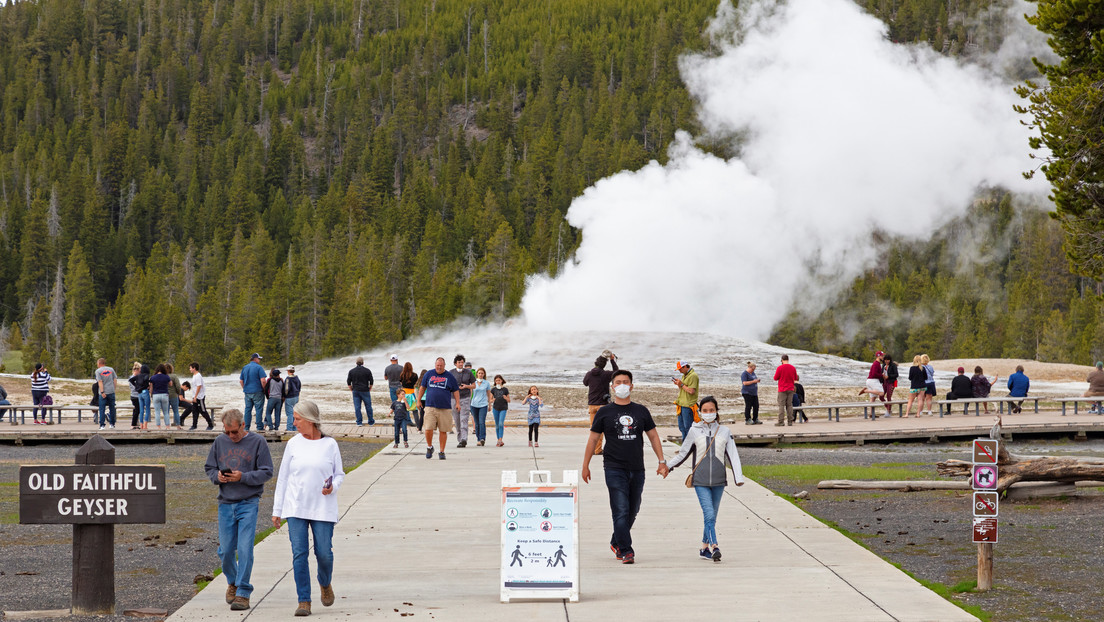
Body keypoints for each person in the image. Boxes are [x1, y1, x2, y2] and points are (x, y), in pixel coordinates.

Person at [581, 369, 669, 565]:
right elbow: (593, 439)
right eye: (618, 382)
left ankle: (616, 540)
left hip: (637, 468)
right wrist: (585, 465)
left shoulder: (641, 411)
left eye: (625, 381)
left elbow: (653, 436)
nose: (622, 385)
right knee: (620, 509)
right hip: (613, 467)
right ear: (612, 387)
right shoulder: (604, 412)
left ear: (631, 386)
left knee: (633, 509)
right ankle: (626, 549)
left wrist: (662, 461)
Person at [271, 401, 344, 617]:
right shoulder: (293, 444)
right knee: (299, 554)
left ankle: (325, 582)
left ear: (310, 420)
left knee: (324, 554)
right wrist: (277, 510)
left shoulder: (330, 445)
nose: (294, 423)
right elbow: (283, 478)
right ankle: (304, 600)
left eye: (297, 419)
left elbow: (339, 474)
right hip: (296, 507)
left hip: (323, 507)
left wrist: (332, 487)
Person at [204, 408, 274, 611]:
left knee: (244, 549)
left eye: (234, 432)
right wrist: (217, 477)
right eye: (227, 432)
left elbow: (267, 472)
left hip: (248, 502)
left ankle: (243, 592)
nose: (231, 436)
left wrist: (242, 477)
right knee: (226, 551)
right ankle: (233, 582)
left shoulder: (258, 442)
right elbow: (209, 468)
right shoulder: (220, 442)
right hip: (225, 503)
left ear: (243, 425)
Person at [666, 396, 744, 562]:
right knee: (708, 513)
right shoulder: (694, 431)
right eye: (705, 410)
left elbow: (733, 456)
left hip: (719, 481)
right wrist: (667, 466)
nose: (708, 413)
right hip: (700, 480)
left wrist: (739, 478)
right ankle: (714, 546)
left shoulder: (725, 431)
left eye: (712, 410)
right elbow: (683, 453)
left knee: (712, 517)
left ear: (716, 412)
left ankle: (703, 548)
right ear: (700, 412)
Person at [416, 357, 460, 460]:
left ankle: (441, 451)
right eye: (437, 366)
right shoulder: (429, 374)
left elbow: (456, 390)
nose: (439, 367)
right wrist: (418, 400)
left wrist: (458, 403)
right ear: (435, 365)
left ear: (444, 365)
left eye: (441, 366)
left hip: (445, 408)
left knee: (443, 430)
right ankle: (429, 447)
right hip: (430, 406)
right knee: (428, 428)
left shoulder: (449, 376)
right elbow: (422, 388)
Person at [583, 353, 619, 455]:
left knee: (593, 428)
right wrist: (612, 360)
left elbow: (585, 383)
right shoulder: (606, 374)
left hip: (592, 404)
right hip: (603, 404)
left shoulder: (589, 374)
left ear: (596, 363)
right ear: (604, 365)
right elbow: (616, 372)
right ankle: (599, 449)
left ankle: (595, 449)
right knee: (605, 428)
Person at [449, 354, 476, 448]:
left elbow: (474, 385)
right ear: (455, 363)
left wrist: (466, 386)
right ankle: (460, 439)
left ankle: (464, 439)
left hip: (465, 398)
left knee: (464, 418)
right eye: (459, 362)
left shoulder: (468, 372)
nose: (461, 364)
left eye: (462, 362)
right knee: (457, 420)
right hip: (453, 398)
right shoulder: (451, 373)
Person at [857, 351, 890, 419]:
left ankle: (871, 413)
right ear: (878, 356)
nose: (883, 357)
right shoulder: (876, 364)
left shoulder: (876, 363)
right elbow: (874, 374)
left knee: (873, 398)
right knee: (881, 393)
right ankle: (866, 391)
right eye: (882, 356)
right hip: (873, 380)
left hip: (870, 380)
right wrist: (882, 375)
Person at [239, 353, 267, 431]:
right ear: (255, 359)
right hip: (258, 391)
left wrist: (245, 388)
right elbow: (263, 380)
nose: (259, 360)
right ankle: (259, 427)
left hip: (247, 392)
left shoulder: (245, 367)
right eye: (259, 359)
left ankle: (246, 427)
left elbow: (241, 381)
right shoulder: (259, 368)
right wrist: (265, 389)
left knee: (248, 409)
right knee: (258, 409)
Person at [673, 360, 700, 441]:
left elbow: (691, 391)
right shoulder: (684, 375)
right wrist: (679, 384)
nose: (680, 371)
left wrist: (681, 384)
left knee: (688, 428)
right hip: (681, 404)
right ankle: (685, 446)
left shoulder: (693, 376)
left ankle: (689, 447)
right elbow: (683, 389)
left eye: (680, 369)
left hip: (688, 405)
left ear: (685, 367)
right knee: (682, 427)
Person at [346, 357, 374, 426]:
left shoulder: (352, 371)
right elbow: (371, 381)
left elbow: (348, 382)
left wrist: (351, 389)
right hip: (365, 390)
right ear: (363, 363)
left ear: (356, 363)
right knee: (368, 406)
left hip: (356, 390)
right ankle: (370, 421)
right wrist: (369, 388)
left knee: (357, 407)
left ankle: (359, 422)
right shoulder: (367, 371)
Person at [773, 355, 798, 426]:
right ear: (788, 359)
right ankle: (790, 421)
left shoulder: (780, 368)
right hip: (790, 388)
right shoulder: (793, 368)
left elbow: (775, 378)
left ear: (782, 360)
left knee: (781, 405)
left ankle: (781, 421)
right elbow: (795, 378)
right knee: (789, 405)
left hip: (782, 389)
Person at [470, 368, 493, 446]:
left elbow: (489, 395)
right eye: (479, 373)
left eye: (482, 373)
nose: (480, 374)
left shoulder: (486, 383)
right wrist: (469, 404)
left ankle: (482, 438)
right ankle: (478, 439)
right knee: (476, 423)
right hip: (474, 405)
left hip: (483, 405)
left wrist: (490, 405)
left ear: (484, 374)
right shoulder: (473, 383)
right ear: (477, 374)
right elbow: (470, 395)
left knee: (482, 422)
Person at [94, 358, 118, 430]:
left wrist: (102, 392)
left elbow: (100, 382)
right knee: (112, 408)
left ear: (99, 363)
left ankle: (102, 425)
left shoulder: (98, 371)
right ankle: (112, 424)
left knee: (102, 409)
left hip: (103, 393)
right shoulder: (111, 369)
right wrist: (113, 388)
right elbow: (115, 379)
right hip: (111, 391)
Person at [189, 362, 213, 430]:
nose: (189, 369)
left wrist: (196, 396)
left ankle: (210, 424)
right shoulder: (194, 375)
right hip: (195, 396)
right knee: (194, 411)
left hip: (200, 397)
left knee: (203, 411)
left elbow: (199, 386)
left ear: (194, 368)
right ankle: (194, 425)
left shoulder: (198, 376)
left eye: (190, 368)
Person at [150, 364, 173, 430]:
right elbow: (171, 384)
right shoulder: (166, 376)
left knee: (157, 412)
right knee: (166, 412)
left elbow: (151, 388)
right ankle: (167, 426)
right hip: (165, 394)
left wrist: (151, 395)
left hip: (156, 395)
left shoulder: (153, 377)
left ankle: (158, 427)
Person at [491, 375, 510, 447]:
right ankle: (498, 439)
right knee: (497, 425)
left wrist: (505, 398)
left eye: (499, 380)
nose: (498, 382)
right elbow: (490, 399)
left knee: (501, 423)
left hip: (503, 408)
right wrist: (492, 400)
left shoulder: (505, 389)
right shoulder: (493, 390)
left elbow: (509, 400)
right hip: (495, 408)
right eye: (496, 381)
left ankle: (500, 440)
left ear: (502, 380)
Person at [130, 363, 151, 430]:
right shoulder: (146, 375)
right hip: (145, 392)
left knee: (141, 410)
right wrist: (147, 387)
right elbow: (147, 382)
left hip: (139, 394)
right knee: (147, 409)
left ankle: (141, 425)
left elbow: (131, 380)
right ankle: (145, 426)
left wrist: (137, 386)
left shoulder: (138, 376)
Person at [399, 363, 419, 430]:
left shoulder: (402, 375)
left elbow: (401, 383)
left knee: (403, 411)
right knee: (415, 411)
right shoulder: (415, 375)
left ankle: (401, 427)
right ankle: (419, 427)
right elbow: (417, 384)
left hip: (404, 393)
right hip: (412, 393)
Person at [283, 365, 302, 431]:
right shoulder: (296, 377)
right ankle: (295, 428)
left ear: (288, 371)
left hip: (290, 397)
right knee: (295, 412)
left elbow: (286, 389)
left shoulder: (288, 379)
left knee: (289, 413)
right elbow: (299, 386)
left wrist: (284, 396)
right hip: (296, 396)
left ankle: (289, 428)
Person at [166, 363, 184, 430]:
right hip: (174, 395)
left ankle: (167, 426)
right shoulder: (174, 376)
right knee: (176, 411)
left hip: (165, 395)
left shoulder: (164, 376)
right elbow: (178, 386)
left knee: (166, 412)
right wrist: (178, 392)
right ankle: (178, 425)